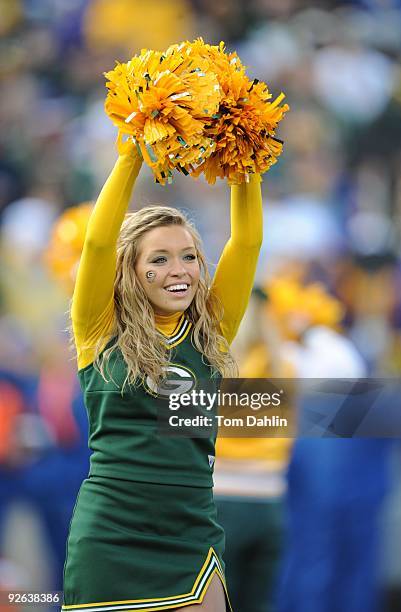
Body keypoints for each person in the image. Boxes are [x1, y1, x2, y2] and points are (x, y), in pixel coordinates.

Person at [61, 137, 263, 612]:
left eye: (189, 256)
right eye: (159, 258)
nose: (181, 270)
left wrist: (246, 156)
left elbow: (248, 241)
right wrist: (132, 153)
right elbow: (96, 242)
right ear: (130, 270)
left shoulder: (210, 332)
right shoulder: (97, 330)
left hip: (190, 529)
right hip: (111, 531)